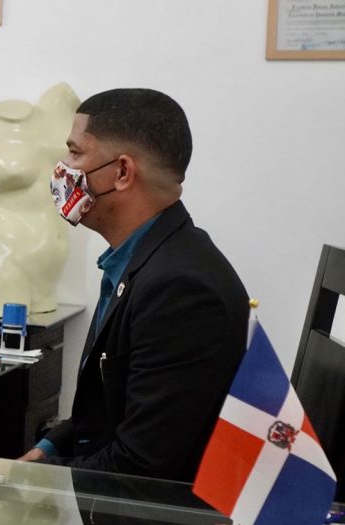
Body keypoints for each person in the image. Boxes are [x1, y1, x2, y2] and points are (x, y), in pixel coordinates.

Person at [19, 88, 249, 482]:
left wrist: (26, 483)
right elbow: (112, 408)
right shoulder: (146, 259)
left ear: (122, 172)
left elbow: (141, 465)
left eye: (75, 153)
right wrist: (49, 447)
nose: (62, 168)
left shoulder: (182, 290)